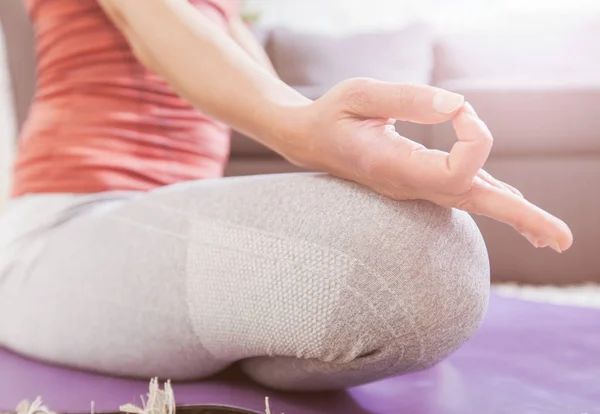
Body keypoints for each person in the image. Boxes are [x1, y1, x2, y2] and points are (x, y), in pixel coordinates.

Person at [0, 0, 572, 391]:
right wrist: (300, 129)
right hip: (58, 232)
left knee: (426, 252)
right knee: (415, 264)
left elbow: (261, 87)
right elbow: (162, 30)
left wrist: (363, 145)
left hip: (164, 231)